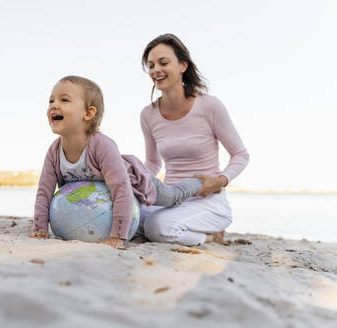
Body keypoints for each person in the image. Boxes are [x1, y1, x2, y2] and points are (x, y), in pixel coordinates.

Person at [30, 75, 202, 249]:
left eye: (64, 100)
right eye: (51, 101)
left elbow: (121, 190)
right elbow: (44, 192)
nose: (54, 105)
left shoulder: (101, 145)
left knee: (173, 196)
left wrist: (117, 235)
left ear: (88, 113)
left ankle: (199, 182)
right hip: (110, 194)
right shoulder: (54, 152)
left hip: (136, 181)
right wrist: (40, 228)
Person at [139, 34, 249, 246]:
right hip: (169, 198)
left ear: (183, 65)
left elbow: (240, 154)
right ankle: (182, 226)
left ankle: (209, 236)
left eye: (163, 63)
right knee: (128, 218)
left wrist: (220, 180)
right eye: (151, 65)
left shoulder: (209, 106)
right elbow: (153, 163)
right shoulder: (148, 114)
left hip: (207, 200)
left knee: (157, 227)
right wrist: (138, 187)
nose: (156, 70)